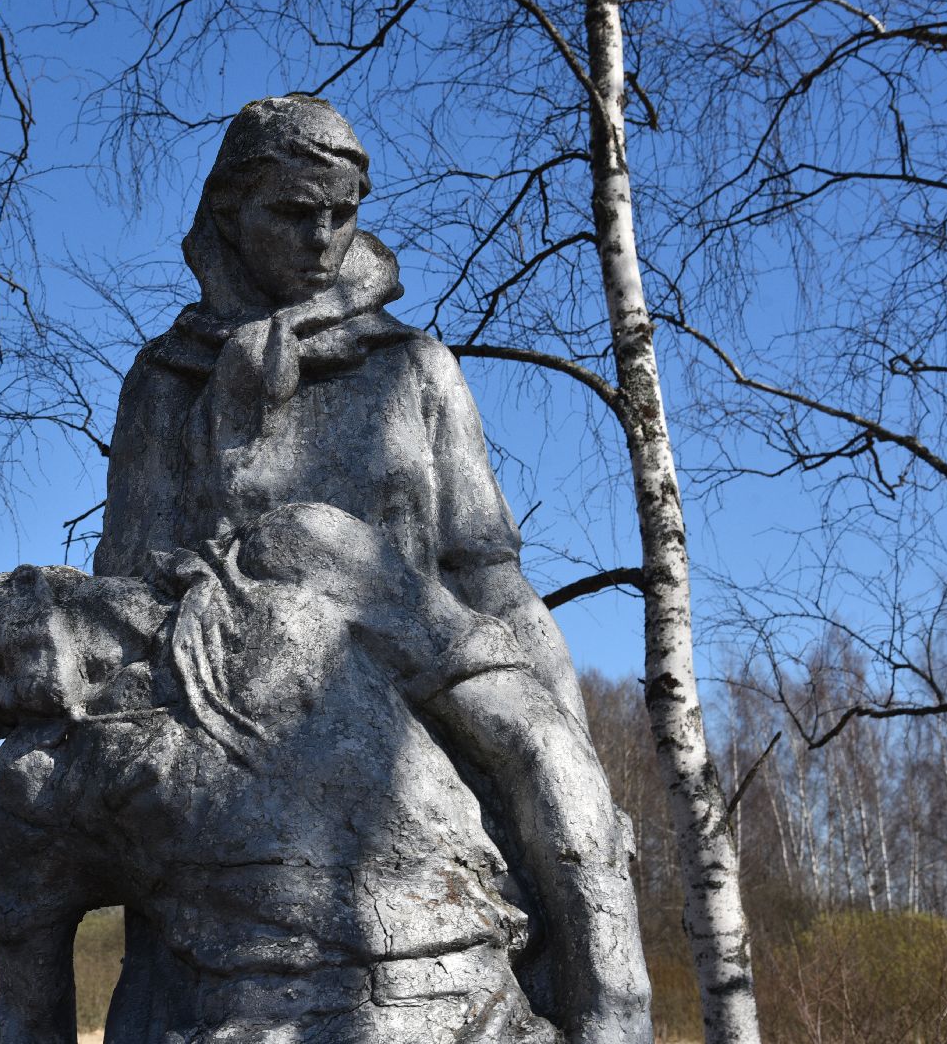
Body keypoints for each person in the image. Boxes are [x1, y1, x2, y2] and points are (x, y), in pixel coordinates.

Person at [90, 95, 652, 1043]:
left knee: (566, 837)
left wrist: (561, 735)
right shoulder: (165, 381)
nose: (322, 236)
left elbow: (487, 571)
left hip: (414, 741)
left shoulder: (412, 368)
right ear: (230, 212)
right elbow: (123, 600)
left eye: (341, 211)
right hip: (226, 770)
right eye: (292, 211)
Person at [0, 503, 615, 1043]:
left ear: (31, 583)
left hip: (471, 1003)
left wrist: (612, 999)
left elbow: (530, 739)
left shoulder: (295, 555)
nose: (11, 690)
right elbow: (28, 1012)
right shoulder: (45, 781)